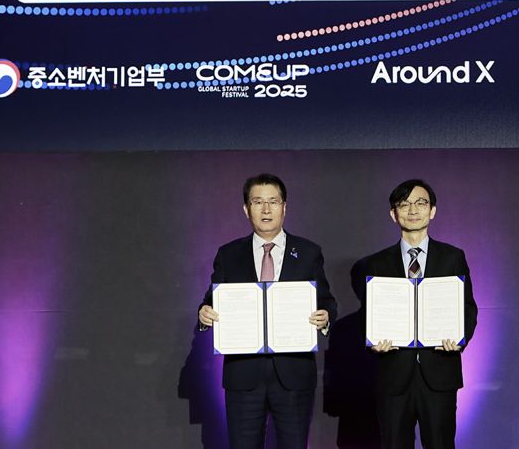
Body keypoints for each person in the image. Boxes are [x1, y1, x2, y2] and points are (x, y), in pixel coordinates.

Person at [198, 173, 337, 449]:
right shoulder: (228, 254)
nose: (266, 209)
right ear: (246, 209)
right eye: (257, 202)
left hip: (294, 374)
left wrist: (324, 317)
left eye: (273, 201)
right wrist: (204, 313)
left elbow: (326, 300)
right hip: (243, 376)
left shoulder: (308, 252)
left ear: (284, 207)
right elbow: (211, 300)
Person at [353, 179, 478, 449]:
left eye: (420, 203)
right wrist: (373, 340)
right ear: (393, 214)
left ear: (432, 211)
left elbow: (468, 307)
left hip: (440, 373)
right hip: (393, 374)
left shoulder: (452, 257)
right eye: (404, 204)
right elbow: (368, 313)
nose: (413, 210)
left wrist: (460, 338)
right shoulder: (375, 263)